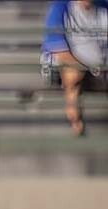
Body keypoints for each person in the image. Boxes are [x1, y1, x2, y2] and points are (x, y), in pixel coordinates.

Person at [42, 0, 108, 136]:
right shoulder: (60, 9)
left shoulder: (104, 7)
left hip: (100, 67)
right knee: (73, 72)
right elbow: (60, 52)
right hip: (69, 65)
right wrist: (90, 67)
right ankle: (76, 121)